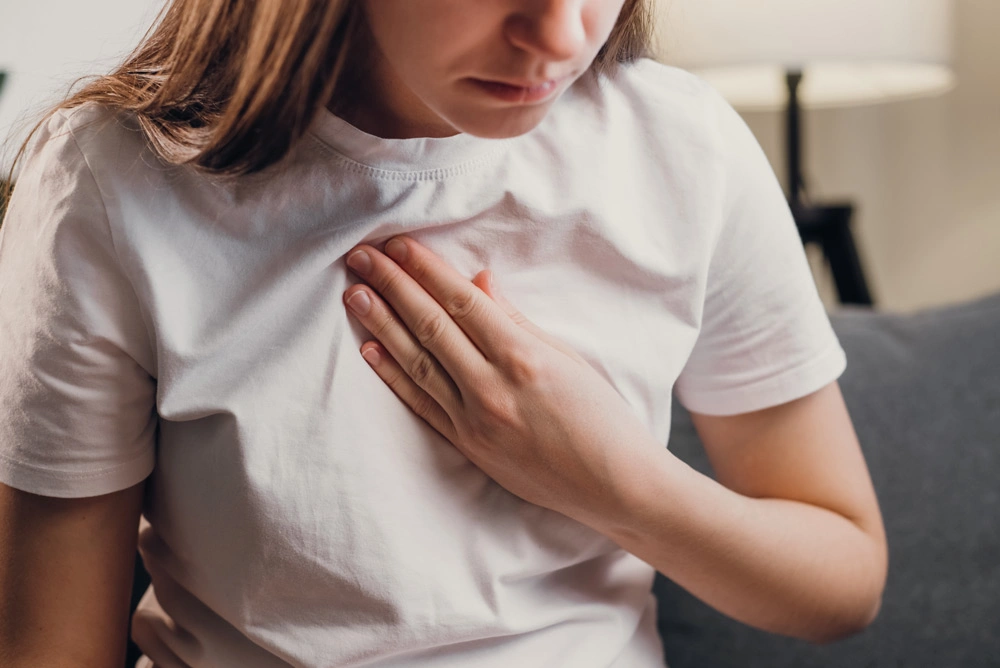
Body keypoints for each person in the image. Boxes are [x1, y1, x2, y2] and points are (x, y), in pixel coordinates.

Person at [0, 1, 888, 666]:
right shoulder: (110, 182)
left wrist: (611, 484)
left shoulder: (683, 148)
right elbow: (51, 648)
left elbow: (843, 579)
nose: (562, 35)